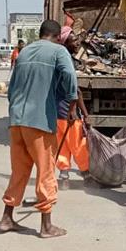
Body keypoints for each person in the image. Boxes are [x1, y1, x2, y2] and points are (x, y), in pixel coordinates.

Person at [0, 20, 77, 238]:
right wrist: (72, 105)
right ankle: (46, 226)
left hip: (17, 121)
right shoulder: (59, 52)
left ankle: (7, 218)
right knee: (46, 172)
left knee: (19, 171)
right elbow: (70, 77)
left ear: (41, 33)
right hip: (40, 121)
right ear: (57, 36)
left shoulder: (23, 52)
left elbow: (11, 87)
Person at [56, 26, 90, 189]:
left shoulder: (59, 58)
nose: (78, 42)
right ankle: (87, 174)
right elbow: (75, 90)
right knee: (78, 144)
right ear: (64, 42)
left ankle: (64, 178)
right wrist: (82, 113)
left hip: (57, 111)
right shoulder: (67, 60)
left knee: (62, 144)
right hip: (68, 111)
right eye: (74, 39)